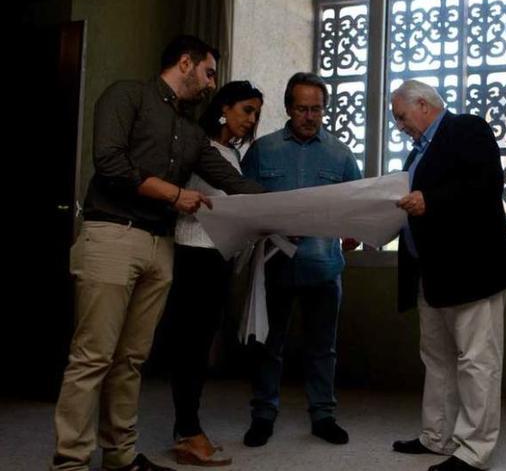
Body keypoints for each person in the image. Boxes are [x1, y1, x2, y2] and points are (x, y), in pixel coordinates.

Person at [51, 35, 264, 471]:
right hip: (112, 234)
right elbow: (109, 164)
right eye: (208, 72)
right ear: (185, 63)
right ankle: (70, 461)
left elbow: (235, 182)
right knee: (93, 356)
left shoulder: (191, 132)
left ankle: (121, 456)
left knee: (132, 359)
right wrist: (174, 194)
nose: (211, 85)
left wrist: (301, 209)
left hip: (160, 246)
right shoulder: (126, 96)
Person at [390, 80, 506, 471]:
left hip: (473, 270)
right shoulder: (417, 152)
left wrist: (430, 199)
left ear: (424, 105)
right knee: (437, 358)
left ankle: (474, 451)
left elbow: (485, 185)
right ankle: (437, 436)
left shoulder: (467, 128)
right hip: (430, 273)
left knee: (477, 360)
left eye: (401, 115)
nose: (399, 125)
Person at [240, 72, 361, 447]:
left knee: (322, 347)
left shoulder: (341, 154)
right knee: (268, 345)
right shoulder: (264, 150)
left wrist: (354, 233)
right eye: (302, 109)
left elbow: (355, 210)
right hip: (274, 267)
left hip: (324, 268)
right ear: (288, 109)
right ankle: (263, 415)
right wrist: (271, 227)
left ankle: (323, 415)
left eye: (317, 109)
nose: (310, 116)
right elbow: (245, 205)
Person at [164, 81, 264, 466]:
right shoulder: (199, 146)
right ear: (224, 107)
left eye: (255, 113)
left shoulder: (231, 154)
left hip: (217, 257)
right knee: (190, 346)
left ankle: (188, 428)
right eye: (246, 110)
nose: (251, 119)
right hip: (194, 254)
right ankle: (188, 432)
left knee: (200, 345)